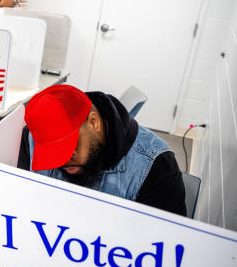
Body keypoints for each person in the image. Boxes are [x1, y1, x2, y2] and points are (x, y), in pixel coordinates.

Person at [17, 85, 186, 216]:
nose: (61, 160)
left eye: (69, 148)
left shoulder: (156, 167)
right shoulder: (30, 139)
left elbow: (165, 251)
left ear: (93, 122)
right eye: (51, 153)